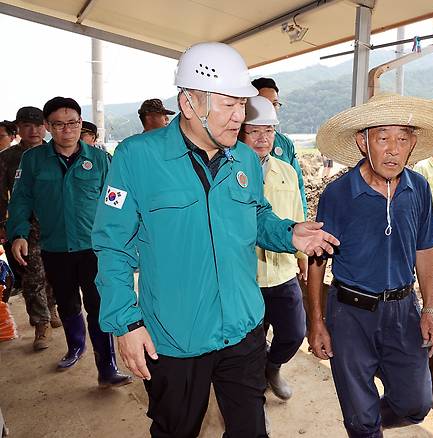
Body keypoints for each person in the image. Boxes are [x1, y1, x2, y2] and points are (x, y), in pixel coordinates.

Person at [92, 42, 338, 438]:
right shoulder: (136, 157)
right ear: (189, 103)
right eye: (228, 106)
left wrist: (288, 232)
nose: (239, 117)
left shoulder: (243, 159)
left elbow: (256, 216)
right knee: (177, 430)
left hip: (242, 326)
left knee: (251, 431)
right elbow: (111, 245)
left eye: (242, 105)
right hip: (174, 336)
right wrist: (125, 323)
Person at [308, 93, 433, 438]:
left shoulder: (419, 188)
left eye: (402, 139)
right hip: (349, 314)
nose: (393, 149)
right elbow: (316, 260)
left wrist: (430, 309)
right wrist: (315, 320)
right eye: (382, 138)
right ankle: (362, 425)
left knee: (415, 404)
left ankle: (362, 422)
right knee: (362, 422)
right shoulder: (338, 194)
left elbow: (425, 249)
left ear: (413, 144)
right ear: (363, 142)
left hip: (403, 309)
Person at [7, 97, 131, 387]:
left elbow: (116, 199)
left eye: (73, 123)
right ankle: (75, 346)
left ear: (80, 123)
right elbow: (22, 199)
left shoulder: (100, 159)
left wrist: (122, 235)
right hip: (55, 247)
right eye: (60, 124)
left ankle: (107, 366)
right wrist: (18, 234)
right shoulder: (33, 160)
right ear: (48, 127)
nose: (68, 130)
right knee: (67, 304)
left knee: (99, 306)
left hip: (94, 249)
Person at [238, 96, 306, 401]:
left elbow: (297, 215)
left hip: (281, 271)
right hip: (245, 276)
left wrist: (303, 255)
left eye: (268, 131)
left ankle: (273, 367)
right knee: (248, 346)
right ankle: (255, 403)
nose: (262, 138)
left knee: (293, 333)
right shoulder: (230, 172)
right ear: (241, 134)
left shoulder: (287, 172)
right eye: (254, 132)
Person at [0, 107, 59, 350]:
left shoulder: (56, 151)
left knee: (56, 271)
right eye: (26, 126)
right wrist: (4, 225)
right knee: (33, 275)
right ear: (19, 129)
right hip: (25, 226)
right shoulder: (7, 158)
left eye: (37, 125)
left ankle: (53, 307)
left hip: (57, 224)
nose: (33, 130)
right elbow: (1, 195)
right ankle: (40, 325)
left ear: (45, 126)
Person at [251, 77, 308, 218]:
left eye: (274, 103)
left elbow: (298, 191)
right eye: (264, 103)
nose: (270, 108)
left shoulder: (285, 144)